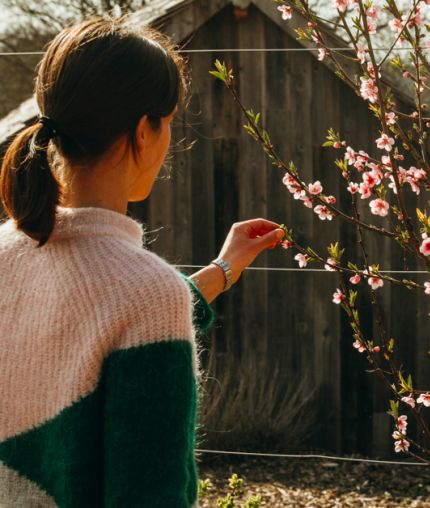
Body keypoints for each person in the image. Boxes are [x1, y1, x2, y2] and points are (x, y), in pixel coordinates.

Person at [0, 18, 282, 507]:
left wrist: (224, 268)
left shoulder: (9, 253)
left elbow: (88, 322)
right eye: (170, 120)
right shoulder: (146, 294)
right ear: (144, 131)